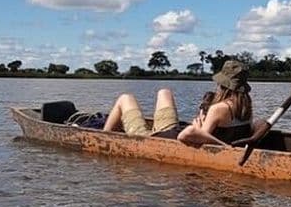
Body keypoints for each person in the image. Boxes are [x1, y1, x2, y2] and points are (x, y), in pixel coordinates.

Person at [102, 59, 253, 147]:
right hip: (171, 131)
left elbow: (198, 138)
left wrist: (198, 127)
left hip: (157, 139)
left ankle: (101, 138)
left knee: (125, 98)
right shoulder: (246, 106)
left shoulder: (219, 108)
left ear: (222, 84)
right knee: (164, 92)